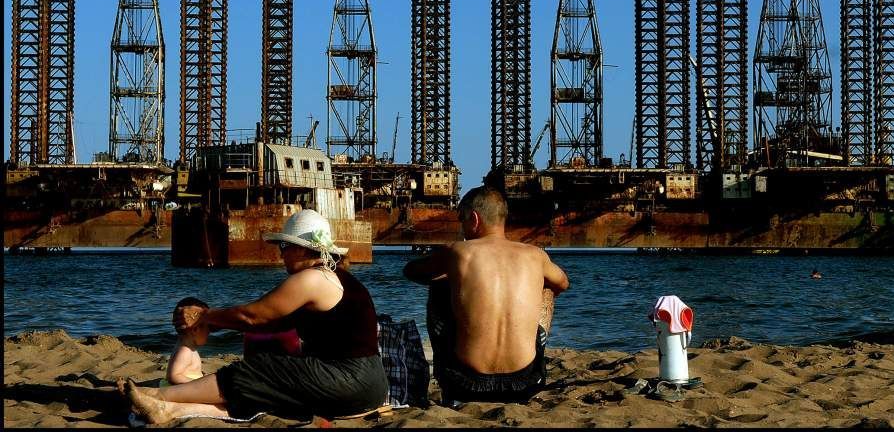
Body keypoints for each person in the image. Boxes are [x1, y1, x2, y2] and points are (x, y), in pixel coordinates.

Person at [119, 209, 389, 424]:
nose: (280, 253)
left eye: (285, 246)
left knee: (259, 371)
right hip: (365, 385)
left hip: (349, 380)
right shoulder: (334, 278)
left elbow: (253, 316)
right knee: (262, 395)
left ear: (305, 249)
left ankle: (157, 394)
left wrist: (206, 317)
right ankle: (169, 410)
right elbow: (269, 323)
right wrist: (214, 324)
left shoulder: (314, 278)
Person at [403, 185, 569, 405]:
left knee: (438, 285)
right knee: (546, 288)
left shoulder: (458, 252)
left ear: (474, 219)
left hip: (464, 384)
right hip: (526, 383)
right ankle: (532, 345)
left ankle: (448, 387)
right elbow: (563, 283)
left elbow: (411, 271)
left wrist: (453, 275)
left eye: (462, 219)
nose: (462, 227)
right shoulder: (535, 255)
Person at [164, 297, 210, 386]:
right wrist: (200, 383)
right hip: (180, 390)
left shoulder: (185, 346)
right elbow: (173, 376)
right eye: (208, 329)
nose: (209, 333)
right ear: (195, 329)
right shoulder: (185, 351)